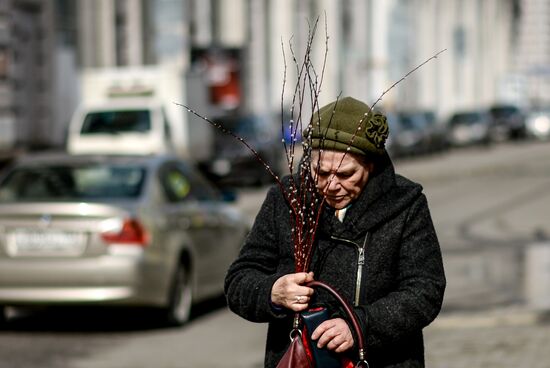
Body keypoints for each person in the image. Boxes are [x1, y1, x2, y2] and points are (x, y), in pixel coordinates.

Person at [224, 96, 446, 367]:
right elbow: (239, 280)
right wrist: (272, 292)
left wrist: (360, 326)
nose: (330, 185)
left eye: (345, 175)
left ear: (371, 165)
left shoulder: (405, 205)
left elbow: (425, 291)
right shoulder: (287, 200)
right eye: (321, 172)